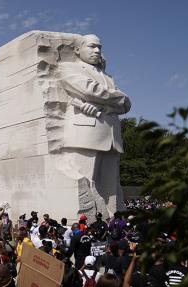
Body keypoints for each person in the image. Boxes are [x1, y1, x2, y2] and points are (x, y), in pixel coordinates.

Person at [56, 34, 131, 217]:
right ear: (77, 50)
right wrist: (115, 99)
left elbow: (125, 105)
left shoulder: (108, 77)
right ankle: (92, 221)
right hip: (85, 134)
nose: (97, 51)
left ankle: (115, 219)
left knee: (111, 186)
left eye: (99, 47)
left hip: (111, 136)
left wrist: (104, 104)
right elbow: (89, 89)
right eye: (92, 46)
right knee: (86, 183)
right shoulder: (68, 67)